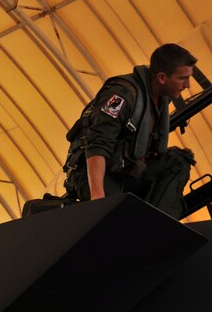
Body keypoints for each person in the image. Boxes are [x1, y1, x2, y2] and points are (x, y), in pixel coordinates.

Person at [63, 43, 197, 219]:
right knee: (119, 215)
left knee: (178, 161)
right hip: (91, 173)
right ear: (162, 77)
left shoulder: (161, 99)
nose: (187, 84)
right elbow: (97, 144)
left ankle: (157, 224)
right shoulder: (121, 96)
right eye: (182, 78)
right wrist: (98, 197)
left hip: (124, 169)